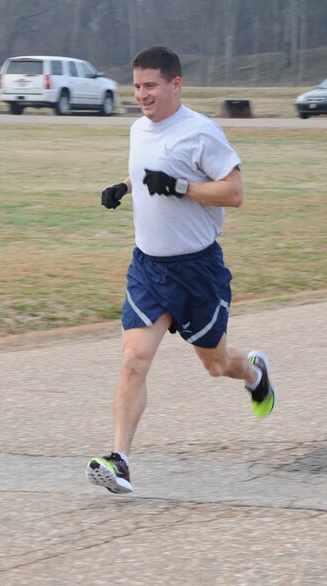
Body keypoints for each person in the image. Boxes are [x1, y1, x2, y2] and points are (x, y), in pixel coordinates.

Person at [86, 46, 276, 495]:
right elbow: (152, 171)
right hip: (148, 268)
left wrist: (181, 187)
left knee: (217, 365)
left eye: (150, 86)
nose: (141, 95)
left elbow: (234, 192)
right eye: (136, 86)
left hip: (197, 271)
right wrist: (125, 186)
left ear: (175, 84)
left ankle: (254, 374)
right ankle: (120, 461)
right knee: (134, 360)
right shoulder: (137, 128)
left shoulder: (201, 132)